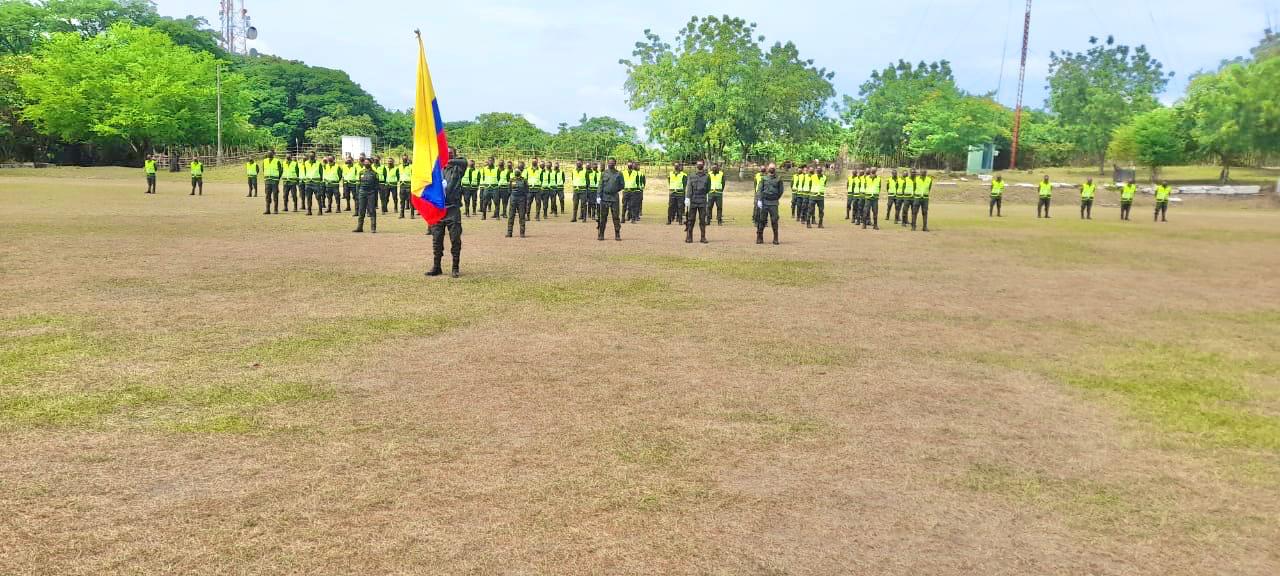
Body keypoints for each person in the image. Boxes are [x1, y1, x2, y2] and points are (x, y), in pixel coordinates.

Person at [427, 150, 469, 278]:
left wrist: (448, 160)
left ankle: (455, 267)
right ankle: (437, 267)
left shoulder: (458, 168)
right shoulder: (437, 168)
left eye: (451, 153)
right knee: (437, 239)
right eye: (446, 152)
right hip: (438, 209)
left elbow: (464, 162)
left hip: (453, 209)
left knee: (455, 239)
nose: (448, 154)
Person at [597, 158, 624, 241]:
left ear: (615, 164)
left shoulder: (619, 174)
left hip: (614, 198)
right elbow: (600, 185)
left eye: (612, 163)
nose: (610, 164)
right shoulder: (604, 173)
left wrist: (614, 190)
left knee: (616, 217)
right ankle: (601, 234)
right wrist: (598, 196)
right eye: (609, 163)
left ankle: (617, 234)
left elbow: (622, 185)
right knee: (603, 217)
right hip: (604, 198)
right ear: (607, 164)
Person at [756, 163, 783, 245]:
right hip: (764, 202)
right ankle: (759, 237)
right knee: (762, 220)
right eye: (770, 168)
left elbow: (781, 191)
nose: (772, 169)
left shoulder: (778, 179)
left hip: (774, 203)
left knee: (774, 220)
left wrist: (775, 198)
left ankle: (775, 238)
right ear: (768, 169)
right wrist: (759, 200)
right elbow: (760, 189)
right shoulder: (764, 178)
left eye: (773, 168)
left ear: (775, 169)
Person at [685, 160, 711, 243]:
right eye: (698, 164)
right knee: (691, 219)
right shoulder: (691, 176)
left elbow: (708, 188)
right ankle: (689, 237)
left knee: (702, 219)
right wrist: (687, 198)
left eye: (701, 164)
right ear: (696, 165)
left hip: (702, 200)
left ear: (703, 166)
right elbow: (689, 187)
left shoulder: (707, 177)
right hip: (693, 200)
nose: (699, 165)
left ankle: (703, 237)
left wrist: (703, 195)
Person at [353, 158, 379, 233]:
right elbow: (359, 183)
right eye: (365, 162)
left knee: (372, 210)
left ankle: (373, 228)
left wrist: (374, 193)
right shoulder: (361, 172)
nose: (366, 163)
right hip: (362, 193)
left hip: (371, 193)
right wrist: (358, 193)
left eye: (368, 162)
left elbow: (377, 185)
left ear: (371, 163)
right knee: (361, 210)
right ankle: (359, 227)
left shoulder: (374, 173)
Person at [507, 161, 530, 238]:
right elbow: (509, 190)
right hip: (513, 199)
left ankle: (522, 233)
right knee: (511, 216)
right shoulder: (511, 180)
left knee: (522, 216)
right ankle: (509, 233)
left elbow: (527, 190)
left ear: (520, 172)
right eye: (516, 170)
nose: (517, 171)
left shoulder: (524, 180)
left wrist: (523, 197)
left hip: (521, 199)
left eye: (518, 170)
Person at [399, 155, 415, 219]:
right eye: (403, 158)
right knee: (402, 201)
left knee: (411, 201)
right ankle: (402, 214)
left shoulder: (411, 166)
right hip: (402, 185)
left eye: (405, 158)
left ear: (407, 159)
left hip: (409, 185)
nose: (404, 159)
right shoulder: (399, 166)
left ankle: (412, 214)